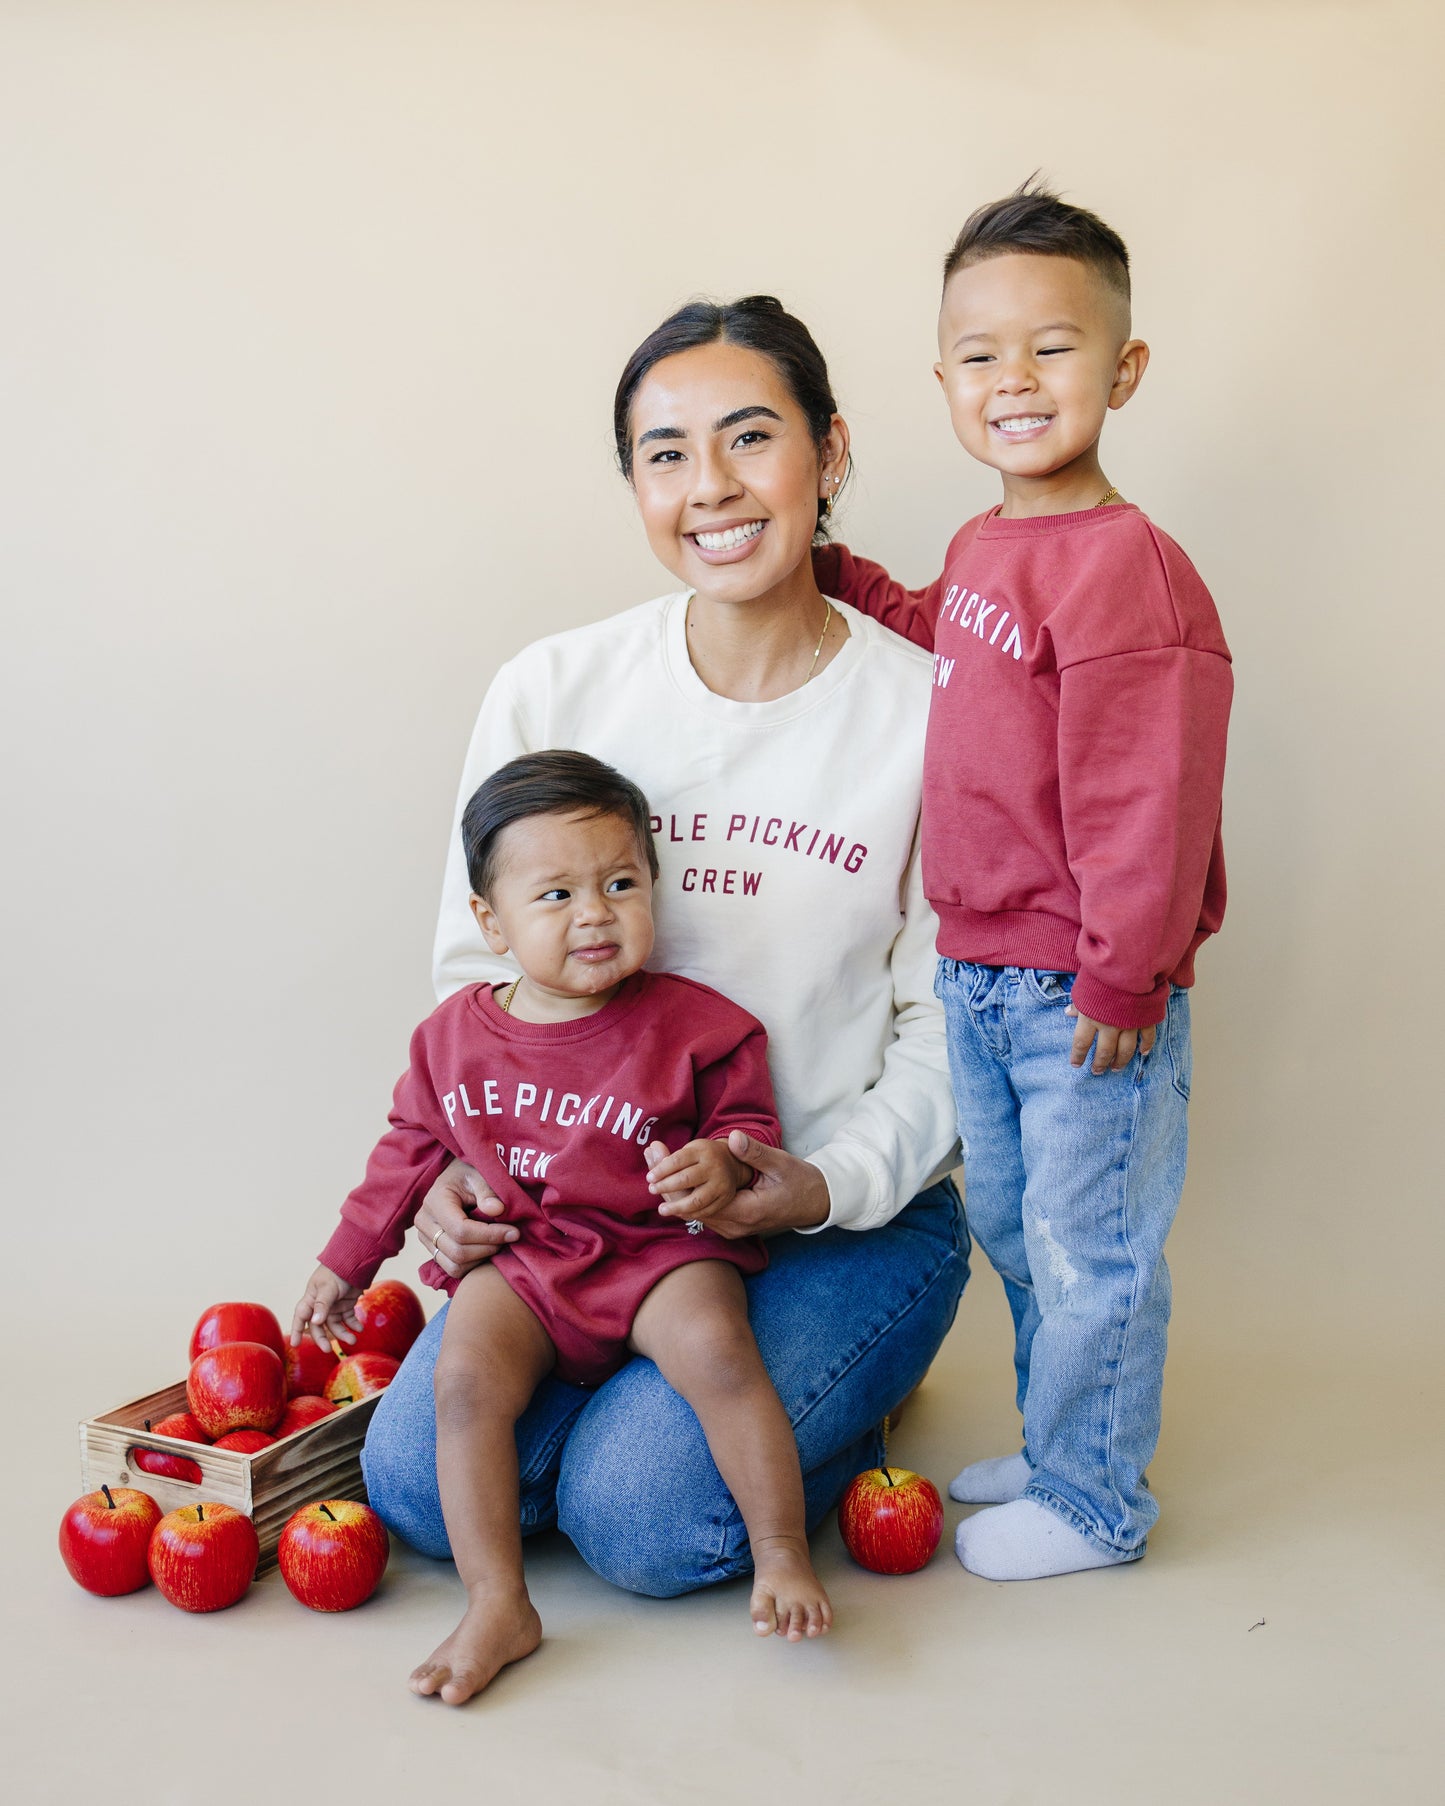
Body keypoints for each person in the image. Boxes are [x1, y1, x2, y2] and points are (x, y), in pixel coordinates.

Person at [359, 294, 969, 1602]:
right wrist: (464, 1166)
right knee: (409, 1485)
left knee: (635, 1523)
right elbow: (480, 971)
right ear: (634, 482)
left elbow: (951, 1025)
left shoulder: (928, 717)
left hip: (835, 1219)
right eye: (666, 453)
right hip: (572, 1221)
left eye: (752, 438)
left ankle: (832, 1374)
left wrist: (820, 1181)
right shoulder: (553, 689)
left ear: (832, 453)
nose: (713, 488)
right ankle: (665, 1399)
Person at [814, 182, 1232, 1581]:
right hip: (978, 969)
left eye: (1052, 348)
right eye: (979, 353)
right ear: (941, 379)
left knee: (1087, 1241)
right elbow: (960, 641)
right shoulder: (992, 544)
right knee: (1015, 1226)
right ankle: (1063, 1448)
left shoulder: (1129, 572)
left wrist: (1123, 966)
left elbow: (1147, 797)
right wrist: (856, 584)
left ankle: (1096, 1497)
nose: (1014, 380)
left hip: (1080, 987)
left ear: (1122, 370)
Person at [292, 751, 832, 1702]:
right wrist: (346, 1260)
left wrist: (722, 1160)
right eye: (556, 895)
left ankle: (780, 1549)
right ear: (491, 924)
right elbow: (410, 1151)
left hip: (659, 1251)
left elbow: (748, 1129)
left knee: (716, 1349)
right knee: (461, 1384)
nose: (595, 912)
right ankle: (499, 1600)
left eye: (621, 884)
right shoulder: (453, 1037)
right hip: (531, 1261)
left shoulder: (700, 1026)